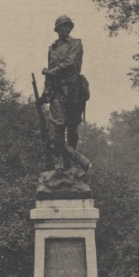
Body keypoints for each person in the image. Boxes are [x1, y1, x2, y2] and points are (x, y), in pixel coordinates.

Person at [38, 15, 91, 171]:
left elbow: (70, 63)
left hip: (74, 90)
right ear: (57, 29)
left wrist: (52, 71)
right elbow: (49, 76)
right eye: (63, 26)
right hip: (57, 91)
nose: (66, 29)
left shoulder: (76, 44)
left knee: (72, 127)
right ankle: (60, 160)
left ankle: (72, 161)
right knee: (58, 126)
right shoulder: (52, 48)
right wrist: (44, 94)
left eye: (68, 26)